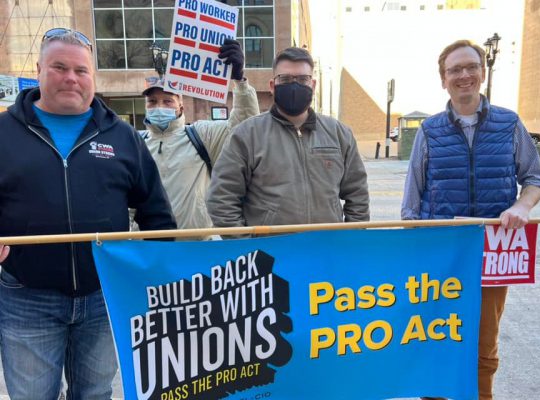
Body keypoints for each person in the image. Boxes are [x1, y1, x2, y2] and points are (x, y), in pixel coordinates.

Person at [0, 28, 176, 400]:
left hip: (104, 296)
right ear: (39, 69)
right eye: (59, 67)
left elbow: (156, 212)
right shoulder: (4, 133)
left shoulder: (122, 136)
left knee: (95, 394)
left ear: (92, 76)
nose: (70, 78)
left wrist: (154, 271)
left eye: (81, 70)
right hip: (26, 296)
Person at [401, 40, 540, 400]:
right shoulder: (429, 131)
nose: (463, 75)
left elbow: (534, 179)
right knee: (434, 338)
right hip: (441, 255)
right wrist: (419, 249)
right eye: (454, 70)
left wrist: (522, 207)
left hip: (493, 253)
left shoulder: (509, 124)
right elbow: (411, 203)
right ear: (443, 79)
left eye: (470, 67)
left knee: (484, 345)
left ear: (482, 73)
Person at [206, 47, 370, 230]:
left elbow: (358, 195)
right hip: (272, 253)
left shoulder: (340, 134)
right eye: (285, 79)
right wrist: (249, 248)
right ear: (272, 86)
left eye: (302, 79)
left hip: (326, 250)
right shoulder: (246, 135)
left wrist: (351, 240)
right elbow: (221, 199)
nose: (294, 85)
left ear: (313, 85)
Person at [140, 39, 259, 233]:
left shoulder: (201, 135)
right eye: (152, 101)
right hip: (148, 251)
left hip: (196, 248)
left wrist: (239, 79)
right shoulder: (135, 143)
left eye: (167, 101)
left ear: (181, 106)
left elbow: (244, 126)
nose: (159, 107)